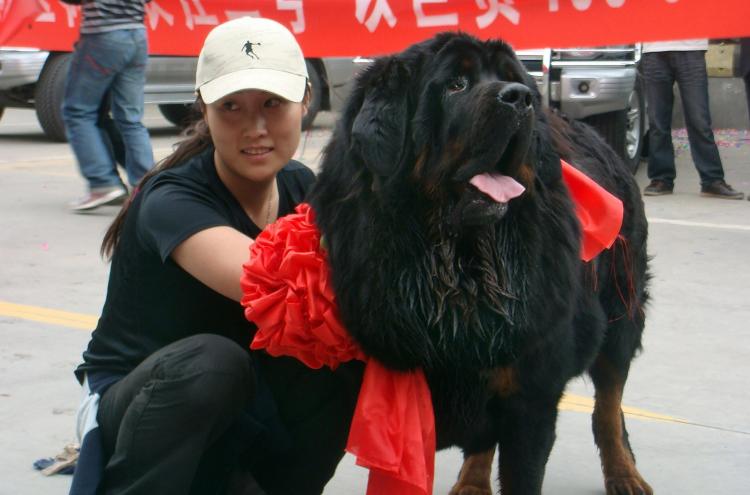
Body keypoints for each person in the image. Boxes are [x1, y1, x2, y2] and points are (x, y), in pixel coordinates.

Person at [69, 17, 361, 495]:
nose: (256, 127)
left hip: (241, 396)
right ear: (203, 109)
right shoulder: (173, 199)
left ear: (306, 101)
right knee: (215, 359)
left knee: (342, 361)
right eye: (231, 107)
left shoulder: (303, 188)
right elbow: (275, 286)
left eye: (273, 103)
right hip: (142, 403)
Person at [62, 0, 155, 212]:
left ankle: (102, 183)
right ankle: (147, 185)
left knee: (78, 111)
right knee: (131, 118)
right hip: (137, 34)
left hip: (104, 35)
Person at [640, 39, 744, 199]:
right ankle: (660, 179)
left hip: (691, 47)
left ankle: (712, 180)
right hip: (653, 48)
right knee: (657, 121)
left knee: (699, 120)